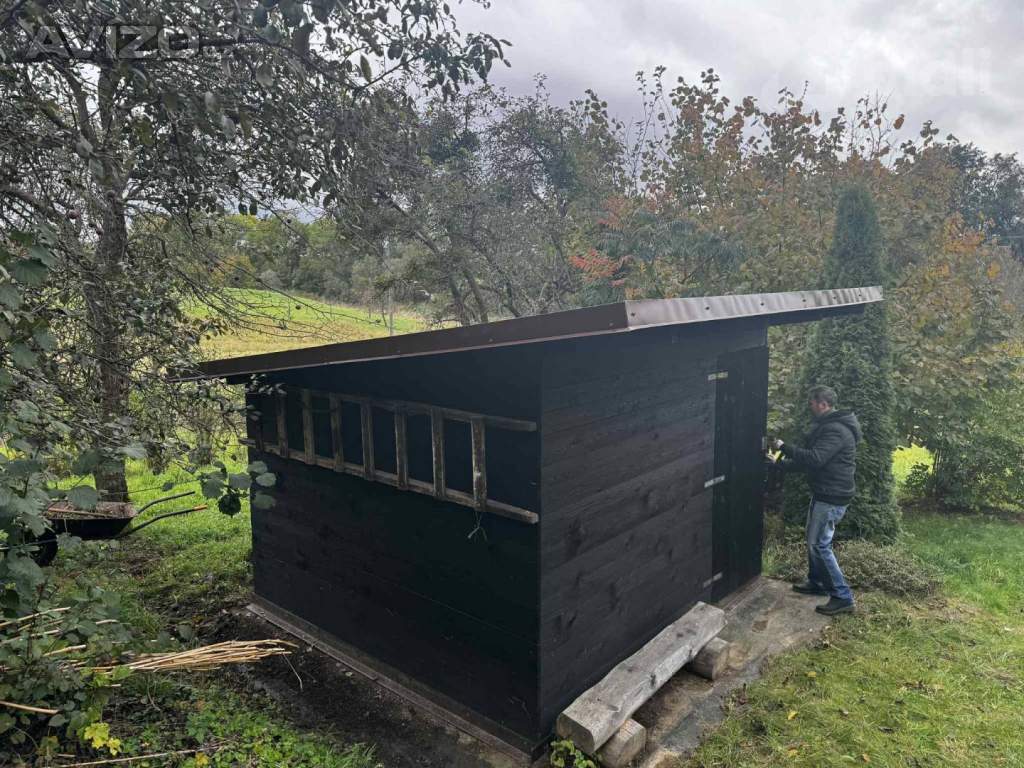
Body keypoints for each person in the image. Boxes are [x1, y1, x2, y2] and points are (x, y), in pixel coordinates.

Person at [772, 385, 860, 616]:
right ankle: (817, 582)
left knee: (820, 544)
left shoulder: (836, 430)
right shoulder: (828, 426)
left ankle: (842, 597)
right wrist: (779, 464)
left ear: (823, 404)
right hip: (824, 493)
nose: (809, 407)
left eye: (812, 403)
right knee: (814, 542)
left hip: (832, 496)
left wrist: (784, 447)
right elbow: (810, 462)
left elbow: (815, 459)